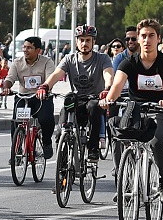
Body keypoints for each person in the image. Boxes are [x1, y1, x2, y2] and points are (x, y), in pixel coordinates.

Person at [102, 17, 163, 203]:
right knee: (119, 135)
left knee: (156, 142)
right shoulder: (128, 63)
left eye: (151, 36)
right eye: (143, 36)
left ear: (158, 39)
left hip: (160, 111)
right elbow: (117, 85)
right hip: (135, 110)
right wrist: (108, 100)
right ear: (138, 39)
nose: (147, 40)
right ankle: (124, 182)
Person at [41, 24, 116, 157]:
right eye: (81, 40)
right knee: (63, 121)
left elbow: (108, 74)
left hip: (94, 99)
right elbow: (56, 75)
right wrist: (45, 86)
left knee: (94, 106)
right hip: (76, 99)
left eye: (88, 40)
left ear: (94, 42)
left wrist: (108, 89)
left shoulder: (102, 59)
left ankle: (93, 149)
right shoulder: (69, 59)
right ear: (76, 42)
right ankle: (62, 159)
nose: (84, 43)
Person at [9, 34, 55, 159]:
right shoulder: (17, 63)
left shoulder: (47, 62)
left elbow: (51, 77)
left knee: (46, 119)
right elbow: (10, 78)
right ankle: (16, 150)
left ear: (38, 51)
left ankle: (46, 142)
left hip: (41, 97)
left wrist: (45, 89)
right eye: (24, 47)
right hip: (23, 97)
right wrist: (6, 87)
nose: (25, 50)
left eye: (29, 48)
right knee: (15, 123)